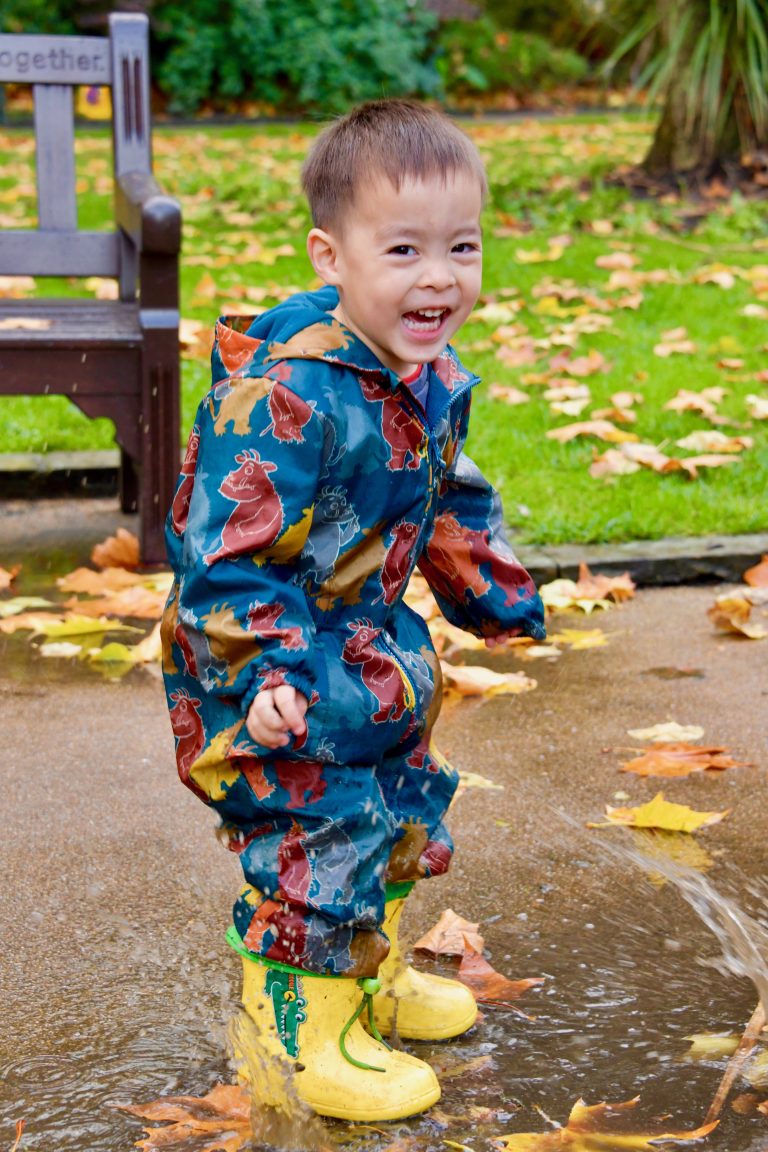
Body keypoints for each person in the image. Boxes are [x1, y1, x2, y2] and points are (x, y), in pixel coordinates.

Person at [161, 99, 545, 1123]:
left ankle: (365, 978)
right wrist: (268, 677)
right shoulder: (286, 395)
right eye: (405, 249)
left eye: (462, 247)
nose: (439, 277)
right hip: (271, 662)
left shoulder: (424, 371)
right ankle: (298, 1029)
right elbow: (222, 557)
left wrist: (492, 587)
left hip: (371, 650)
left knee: (400, 804)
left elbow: (445, 489)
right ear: (331, 256)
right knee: (318, 825)